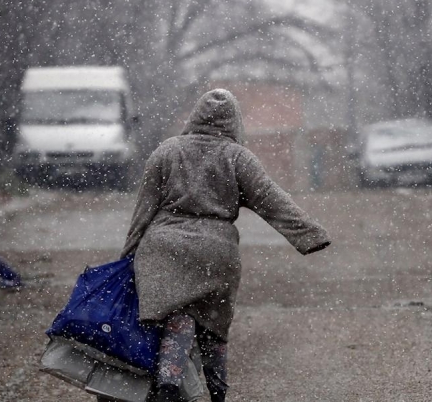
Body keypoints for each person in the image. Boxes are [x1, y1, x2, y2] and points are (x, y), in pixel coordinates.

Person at [119, 89, 331, 402]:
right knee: (214, 324)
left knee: (177, 314)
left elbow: (143, 211)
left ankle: (168, 381)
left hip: (164, 247)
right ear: (235, 121)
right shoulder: (237, 157)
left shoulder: (167, 151)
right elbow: (272, 200)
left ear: (194, 115)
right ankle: (217, 391)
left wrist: (125, 257)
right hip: (215, 251)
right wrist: (310, 234)